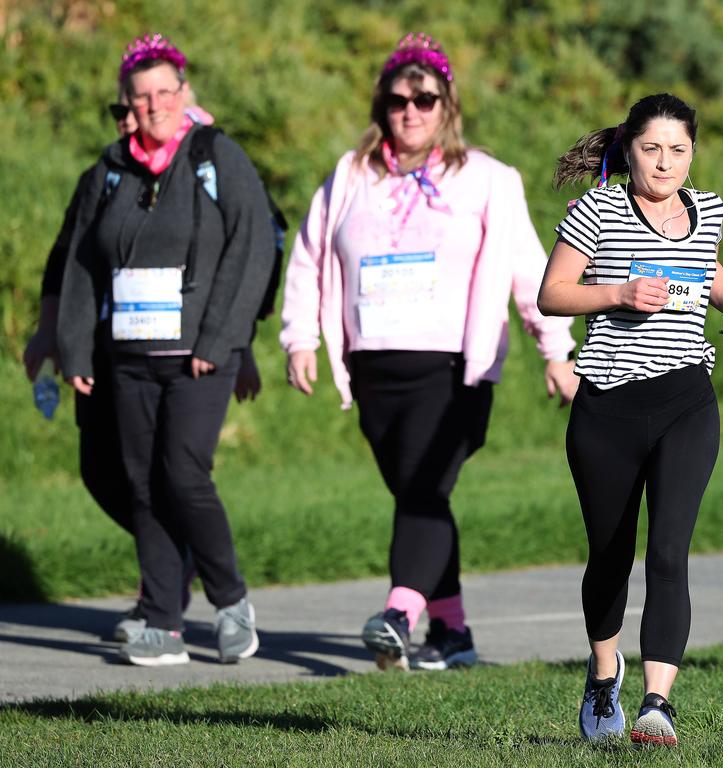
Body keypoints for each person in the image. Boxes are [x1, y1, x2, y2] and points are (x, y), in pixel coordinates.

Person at [280, 32, 577, 672]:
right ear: (380, 107)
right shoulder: (350, 177)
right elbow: (309, 257)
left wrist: (556, 349)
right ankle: (453, 632)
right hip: (373, 368)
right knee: (422, 496)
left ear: (448, 107)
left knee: (423, 489)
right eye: (397, 100)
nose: (410, 111)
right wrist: (300, 337)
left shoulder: (487, 180)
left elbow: (531, 271)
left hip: (452, 372)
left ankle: (397, 615)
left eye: (424, 99)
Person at [538, 93, 723, 746]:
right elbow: (552, 294)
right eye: (652, 148)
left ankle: (658, 703)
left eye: (679, 150)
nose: (666, 162)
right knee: (610, 556)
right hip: (607, 406)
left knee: (668, 552)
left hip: (686, 401)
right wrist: (617, 293)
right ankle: (605, 674)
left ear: (693, 153)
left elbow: (703, 265)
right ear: (628, 150)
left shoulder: (706, 208)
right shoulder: (598, 209)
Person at [56, 34, 275, 666]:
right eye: (140, 96)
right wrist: (75, 349)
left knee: (182, 473)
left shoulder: (216, 155)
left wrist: (220, 337)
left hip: (199, 355)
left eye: (163, 93)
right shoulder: (111, 167)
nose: (152, 106)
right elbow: (82, 261)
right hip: (129, 355)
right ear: (126, 101)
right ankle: (162, 622)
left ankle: (231, 603)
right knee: (143, 482)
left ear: (184, 94)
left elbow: (252, 245)